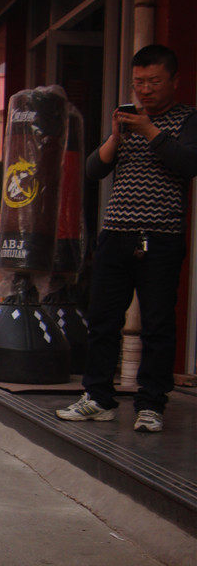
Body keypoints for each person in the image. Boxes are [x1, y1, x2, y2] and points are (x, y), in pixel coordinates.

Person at [56, 44, 197, 433]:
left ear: (174, 80)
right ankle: (98, 398)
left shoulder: (187, 120)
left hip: (161, 236)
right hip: (116, 233)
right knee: (103, 321)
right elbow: (93, 170)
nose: (145, 90)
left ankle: (150, 405)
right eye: (139, 83)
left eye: (154, 81)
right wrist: (117, 136)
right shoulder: (129, 121)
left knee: (157, 325)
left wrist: (150, 131)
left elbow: (188, 164)